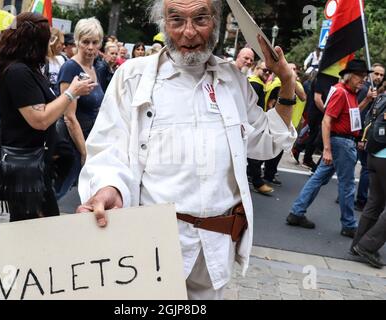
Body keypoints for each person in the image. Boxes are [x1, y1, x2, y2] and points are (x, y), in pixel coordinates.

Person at [76, 0, 297, 300]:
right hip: (153, 247)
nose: (188, 32)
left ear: (216, 22)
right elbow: (107, 148)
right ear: (163, 23)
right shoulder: (132, 77)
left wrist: (286, 82)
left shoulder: (232, 79)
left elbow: (268, 141)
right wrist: (108, 187)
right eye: (176, 19)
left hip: (216, 250)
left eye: (200, 19)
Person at [0, 13, 93, 222]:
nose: (51, 43)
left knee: (37, 227)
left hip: (34, 162)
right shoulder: (18, 71)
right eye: (48, 39)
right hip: (24, 166)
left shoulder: (27, 68)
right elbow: (40, 119)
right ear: (36, 42)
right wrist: (71, 92)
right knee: (33, 228)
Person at [287, 59, 377, 238]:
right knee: (346, 184)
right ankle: (349, 224)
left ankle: (297, 212)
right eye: (360, 76)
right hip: (342, 144)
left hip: (343, 142)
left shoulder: (349, 93)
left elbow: (350, 117)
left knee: (320, 178)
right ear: (349, 76)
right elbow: (326, 120)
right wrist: (327, 149)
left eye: (365, 77)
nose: (364, 80)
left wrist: (366, 101)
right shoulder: (342, 92)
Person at [54, 18, 104, 200]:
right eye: (85, 42)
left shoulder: (96, 67)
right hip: (71, 141)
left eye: (95, 42)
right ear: (77, 42)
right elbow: (69, 117)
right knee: (58, 190)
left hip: (90, 138)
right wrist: (84, 152)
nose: (90, 47)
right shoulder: (70, 68)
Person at [350, 93, 386, 269]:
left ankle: (358, 244)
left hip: (374, 155)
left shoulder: (382, 97)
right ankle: (367, 246)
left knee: (375, 202)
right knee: (375, 203)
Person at [354, 63, 385, 212]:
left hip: (362, 135)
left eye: (381, 75)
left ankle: (347, 195)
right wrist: (362, 137)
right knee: (366, 168)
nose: (378, 77)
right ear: (370, 74)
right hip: (360, 135)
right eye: (376, 73)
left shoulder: (377, 93)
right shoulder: (366, 89)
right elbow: (359, 112)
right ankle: (361, 200)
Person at [246, 61, 275, 194]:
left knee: (251, 154)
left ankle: (253, 178)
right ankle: (257, 181)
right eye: (265, 70)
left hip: (254, 123)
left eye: (269, 71)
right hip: (251, 124)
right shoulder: (255, 84)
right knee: (255, 155)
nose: (267, 73)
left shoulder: (257, 83)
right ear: (256, 68)